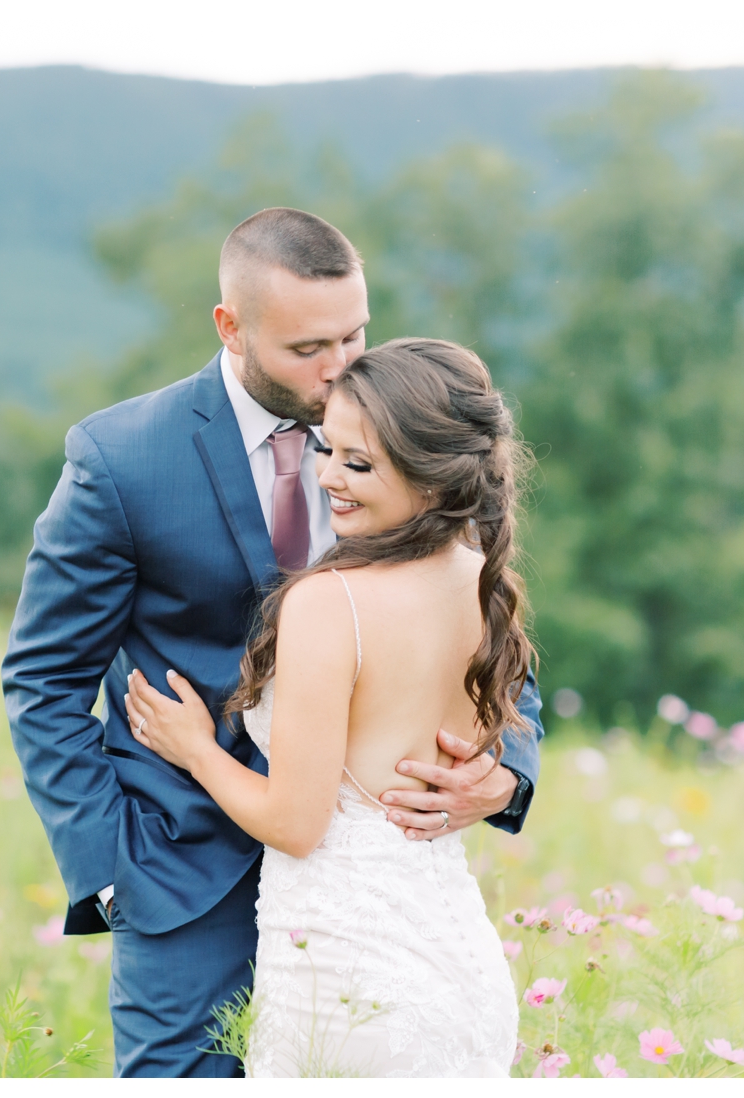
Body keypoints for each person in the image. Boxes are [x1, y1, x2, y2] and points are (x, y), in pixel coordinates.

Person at [2, 208, 543, 1077]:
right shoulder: (121, 458)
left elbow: (483, 605)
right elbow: (42, 680)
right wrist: (112, 871)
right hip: (180, 875)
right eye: (308, 349)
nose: (340, 370)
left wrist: (507, 772)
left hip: (374, 893)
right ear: (232, 327)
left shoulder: (405, 427)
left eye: (354, 334)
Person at [126, 337, 531, 1075]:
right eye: (327, 450)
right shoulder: (484, 582)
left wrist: (195, 750)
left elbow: (296, 823)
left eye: (359, 464)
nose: (328, 480)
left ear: (434, 480)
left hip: (348, 982)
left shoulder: (327, 602)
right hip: (460, 975)